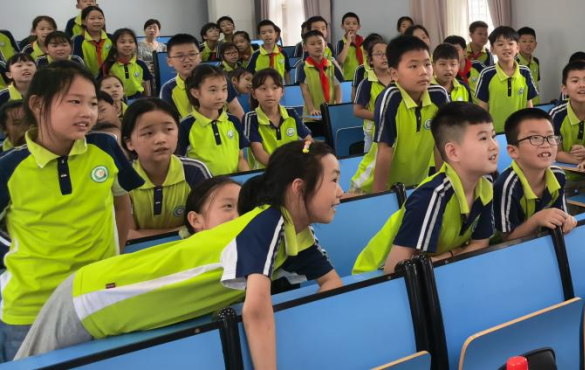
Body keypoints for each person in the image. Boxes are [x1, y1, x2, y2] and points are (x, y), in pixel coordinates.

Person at [13, 141, 344, 367]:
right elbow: (256, 311)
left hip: (119, 313)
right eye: (333, 180)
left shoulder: (298, 235)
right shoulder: (267, 222)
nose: (341, 192)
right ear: (299, 188)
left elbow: (332, 284)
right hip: (95, 296)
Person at [0, 61, 143, 360]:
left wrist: (116, 253)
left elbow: (122, 203)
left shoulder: (104, 147)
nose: (87, 112)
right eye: (75, 102)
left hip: (97, 297)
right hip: (31, 308)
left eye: (92, 103)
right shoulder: (10, 166)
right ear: (37, 104)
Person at [353, 102, 497, 275]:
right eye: (483, 138)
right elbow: (396, 270)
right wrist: (454, 255)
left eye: (493, 136)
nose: (494, 146)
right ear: (453, 152)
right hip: (376, 277)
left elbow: (480, 243)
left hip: (436, 272)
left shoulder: (486, 184)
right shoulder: (432, 196)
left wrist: (449, 256)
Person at [349, 37, 449, 194]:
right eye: (413, 66)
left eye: (427, 64)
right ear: (394, 74)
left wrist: (441, 185)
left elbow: (440, 145)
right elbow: (384, 150)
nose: (423, 71)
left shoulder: (439, 96)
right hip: (373, 185)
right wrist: (379, 197)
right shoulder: (391, 98)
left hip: (413, 185)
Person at [122, 98, 212, 238]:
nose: (160, 139)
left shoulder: (194, 170)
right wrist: (183, 230)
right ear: (129, 142)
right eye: (148, 133)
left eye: (169, 129)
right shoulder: (122, 177)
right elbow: (127, 234)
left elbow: (210, 223)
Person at [494, 108, 575, 241]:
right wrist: (537, 220)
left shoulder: (558, 175)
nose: (546, 144)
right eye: (535, 138)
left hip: (543, 242)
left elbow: (561, 216)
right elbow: (507, 239)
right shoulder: (506, 185)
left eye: (550, 137)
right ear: (513, 151)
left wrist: (568, 220)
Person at [177, 65, 248, 175]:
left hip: (233, 183)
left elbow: (241, 158)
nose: (220, 96)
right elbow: (179, 163)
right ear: (195, 93)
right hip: (203, 184)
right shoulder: (185, 126)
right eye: (213, 90)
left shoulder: (233, 121)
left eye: (224, 89)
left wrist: (247, 179)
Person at [160, 34, 245, 121]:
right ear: (169, 61)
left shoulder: (219, 79)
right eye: (180, 56)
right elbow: (169, 120)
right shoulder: (168, 89)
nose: (187, 59)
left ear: (200, 56)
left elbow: (235, 109)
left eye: (192, 54)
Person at [475, 26, 539, 133]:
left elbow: (529, 104)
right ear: (492, 49)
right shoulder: (487, 74)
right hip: (495, 133)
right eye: (500, 44)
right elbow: (482, 108)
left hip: (521, 131)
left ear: (517, 48)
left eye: (510, 43)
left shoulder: (525, 72)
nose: (506, 48)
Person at [246, 69, 311, 169]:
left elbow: (308, 141)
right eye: (263, 88)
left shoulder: (291, 113)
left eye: (275, 88)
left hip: (293, 169)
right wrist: (280, 168)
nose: (269, 93)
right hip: (265, 172)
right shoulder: (251, 118)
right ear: (253, 93)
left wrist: (304, 154)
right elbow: (257, 151)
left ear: (282, 92)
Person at [352, 38, 392, 153]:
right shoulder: (366, 83)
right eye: (379, 54)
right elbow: (357, 111)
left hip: (396, 130)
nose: (384, 57)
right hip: (373, 134)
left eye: (387, 54)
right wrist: (381, 116)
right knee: (372, 162)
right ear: (370, 60)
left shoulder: (399, 80)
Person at [297, 30, 343, 119]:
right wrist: (311, 109)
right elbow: (305, 91)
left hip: (331, 113)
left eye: (320, 43)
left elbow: (337, 87)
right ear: (305, 48)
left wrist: (338, 106)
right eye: (312, 44)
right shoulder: (303, 67)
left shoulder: (331, 65)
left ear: (325, 45)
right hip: (312, 116)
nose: (317, 46)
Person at [102, 28, 153, 98]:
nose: (127, 45)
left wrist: (147, 100)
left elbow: (146, 87)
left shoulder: (140, 64)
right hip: (117, 99)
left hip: (137, 99)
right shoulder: (109, 65)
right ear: (114, 45)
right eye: (122, 42)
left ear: (135, 44)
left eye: (131, 42)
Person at [70, 6, 111, 73]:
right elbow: (77, 61)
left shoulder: (111, 38)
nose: (97, 21)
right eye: (92, 18)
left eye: (100, 18)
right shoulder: (78, 40)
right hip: (87, 77)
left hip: (110, 77)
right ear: (84, 22)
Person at [336, 12, 365, 80]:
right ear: (342, 26)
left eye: (354, 23)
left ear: (358, 27)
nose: (351, 26)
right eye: (347, 23)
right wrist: (348, 42)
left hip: (364, 78)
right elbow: (339, 62)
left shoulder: (364, 42)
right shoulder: (340, 43)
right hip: (347, 80)